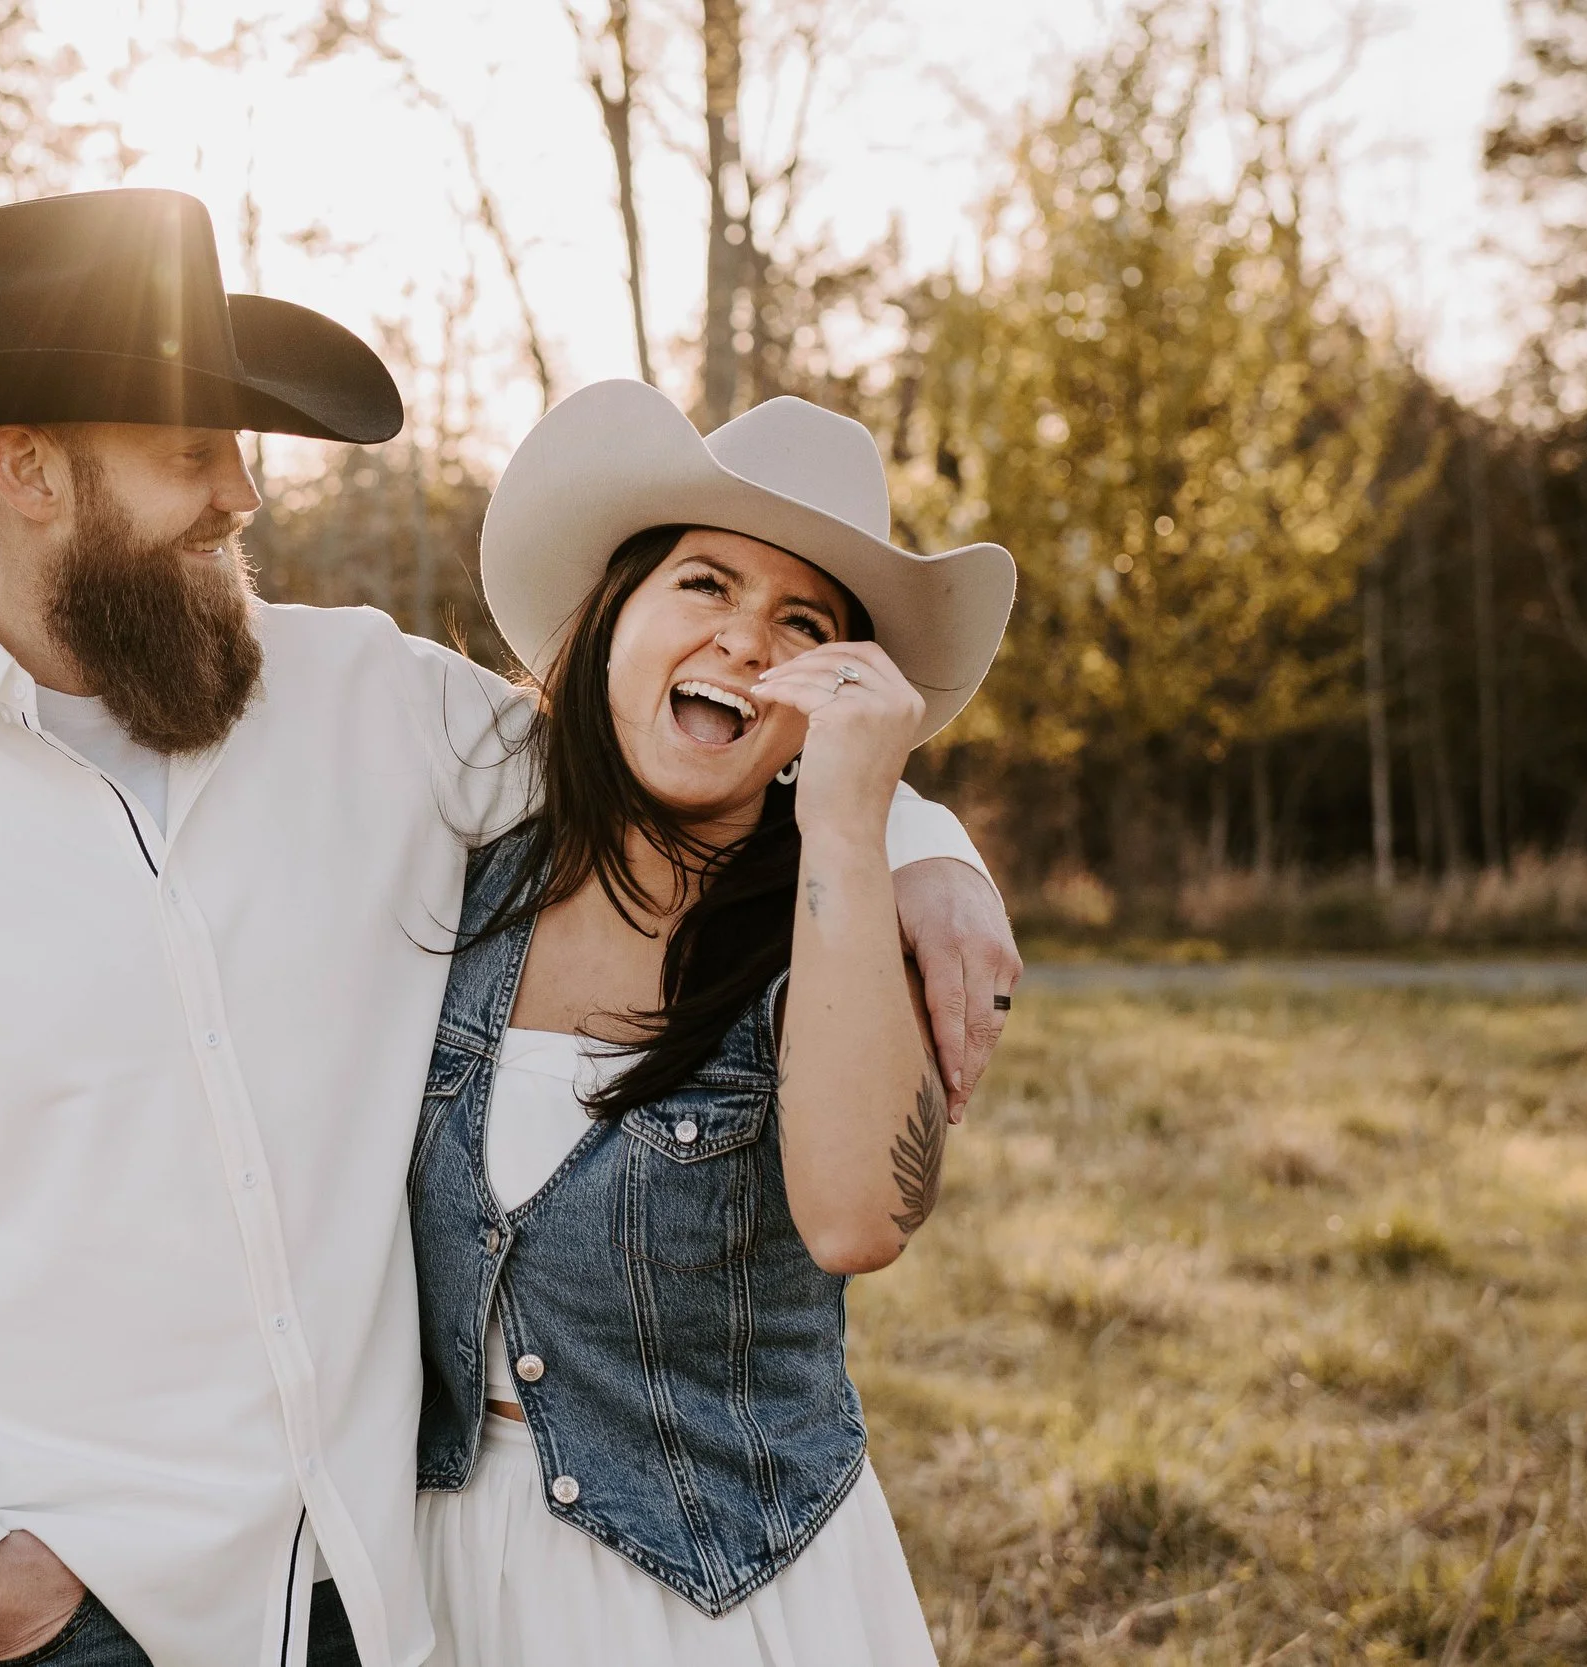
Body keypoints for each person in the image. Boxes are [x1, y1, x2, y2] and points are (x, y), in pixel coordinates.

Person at [0, 189, 1021, 1667]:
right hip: (64, 1617)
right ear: (29, 469)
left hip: (373, 1592)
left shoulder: (370, 701)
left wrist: (923, 845)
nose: (244, 492)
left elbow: (660, 753)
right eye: (193, 453)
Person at [410, 379, 1018, 1666]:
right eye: (703, 585)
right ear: (610, 618)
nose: (747, 639)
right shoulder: (455, 870)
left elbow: (862, 1219)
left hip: (718, 1602)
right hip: (438, 1578)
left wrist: (867, 818)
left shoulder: (840, 926)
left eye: (802, 623)